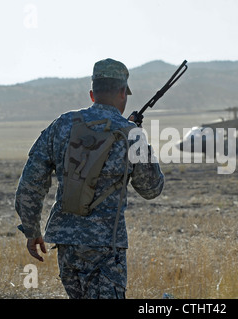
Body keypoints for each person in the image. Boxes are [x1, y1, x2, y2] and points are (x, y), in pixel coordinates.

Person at [15, 58, 165, 299]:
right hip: (106, 247)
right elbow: (151, 188)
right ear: (122, 93)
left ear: (92, 94)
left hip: (67, 243)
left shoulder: (63, 125)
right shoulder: (131, 134)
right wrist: (140, 140)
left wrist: (32, 230)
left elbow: (31, 182)